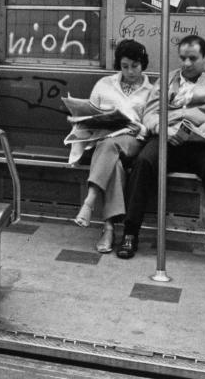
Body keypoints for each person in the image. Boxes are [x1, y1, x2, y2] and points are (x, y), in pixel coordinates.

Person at [116, 35, 205, 269]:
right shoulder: (167, 79)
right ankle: (130, 233)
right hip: (168, 139)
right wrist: (163, 129)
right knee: (143, 163)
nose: (187, 64)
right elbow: (150, 113)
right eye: (183, 58)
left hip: (201, 142)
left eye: (193, 58)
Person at [67, 39, 153, 253]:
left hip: (133, 141)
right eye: (125, 66)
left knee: (109, 147)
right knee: (113, 163)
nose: (130, 71)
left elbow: (151, 123)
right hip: (103, 140)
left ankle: (90, 201)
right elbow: (91, 111)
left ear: (143, 64)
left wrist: (138, 128)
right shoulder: (104, 84)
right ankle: (108, 228)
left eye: (135, 66)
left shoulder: (151, 90)